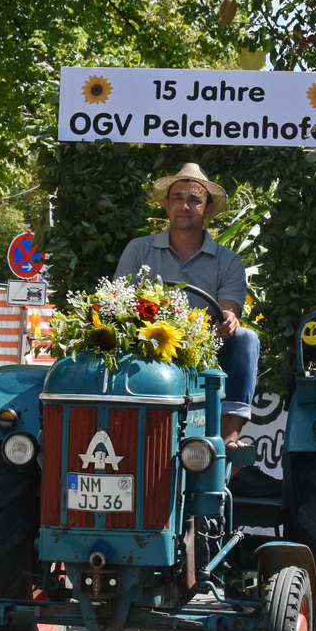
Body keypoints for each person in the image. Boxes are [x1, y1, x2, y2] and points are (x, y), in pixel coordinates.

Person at [115, 162, 255, 445]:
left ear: (207, 209)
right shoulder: (138, 249)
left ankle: (228, 440)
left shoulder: (228, 261)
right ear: (166, 204)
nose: (184, 205)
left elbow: (229, 309)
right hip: (144, 345)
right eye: (177, 197)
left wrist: (228, 318)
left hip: (204, 347)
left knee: (245, 338)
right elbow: (118, 302)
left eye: (194, 200)